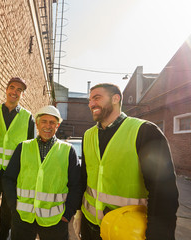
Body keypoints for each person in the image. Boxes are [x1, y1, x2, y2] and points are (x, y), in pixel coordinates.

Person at [74, 83, 179, 240]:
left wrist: (158, 234)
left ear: (116, 98)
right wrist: (78, 213)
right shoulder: (88, 135)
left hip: (126, 232)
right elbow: (84, 179)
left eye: (97, 98)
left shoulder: (145, 131)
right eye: (89, 100)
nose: (91, 104)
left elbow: (163, 192)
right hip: (90, 228)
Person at [2, 105, 82, 240]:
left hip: (55, 220)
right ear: (37, 124)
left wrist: (67, 214)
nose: (48, 126)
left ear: (57, 126)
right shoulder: (23, 147)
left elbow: (76, 185)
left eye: (52, 122)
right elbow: (8, 178)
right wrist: (13, 205)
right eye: (44, 121)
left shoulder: (68, 151)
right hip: (23, 218)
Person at [0, 77, 35, 240]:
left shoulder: (27, 117)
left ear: (22, 95)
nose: (14, 92)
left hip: (13, 175)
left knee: (8, 215)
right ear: (6, 89)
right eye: (12, 87)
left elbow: (31, 149)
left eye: (19, 90)